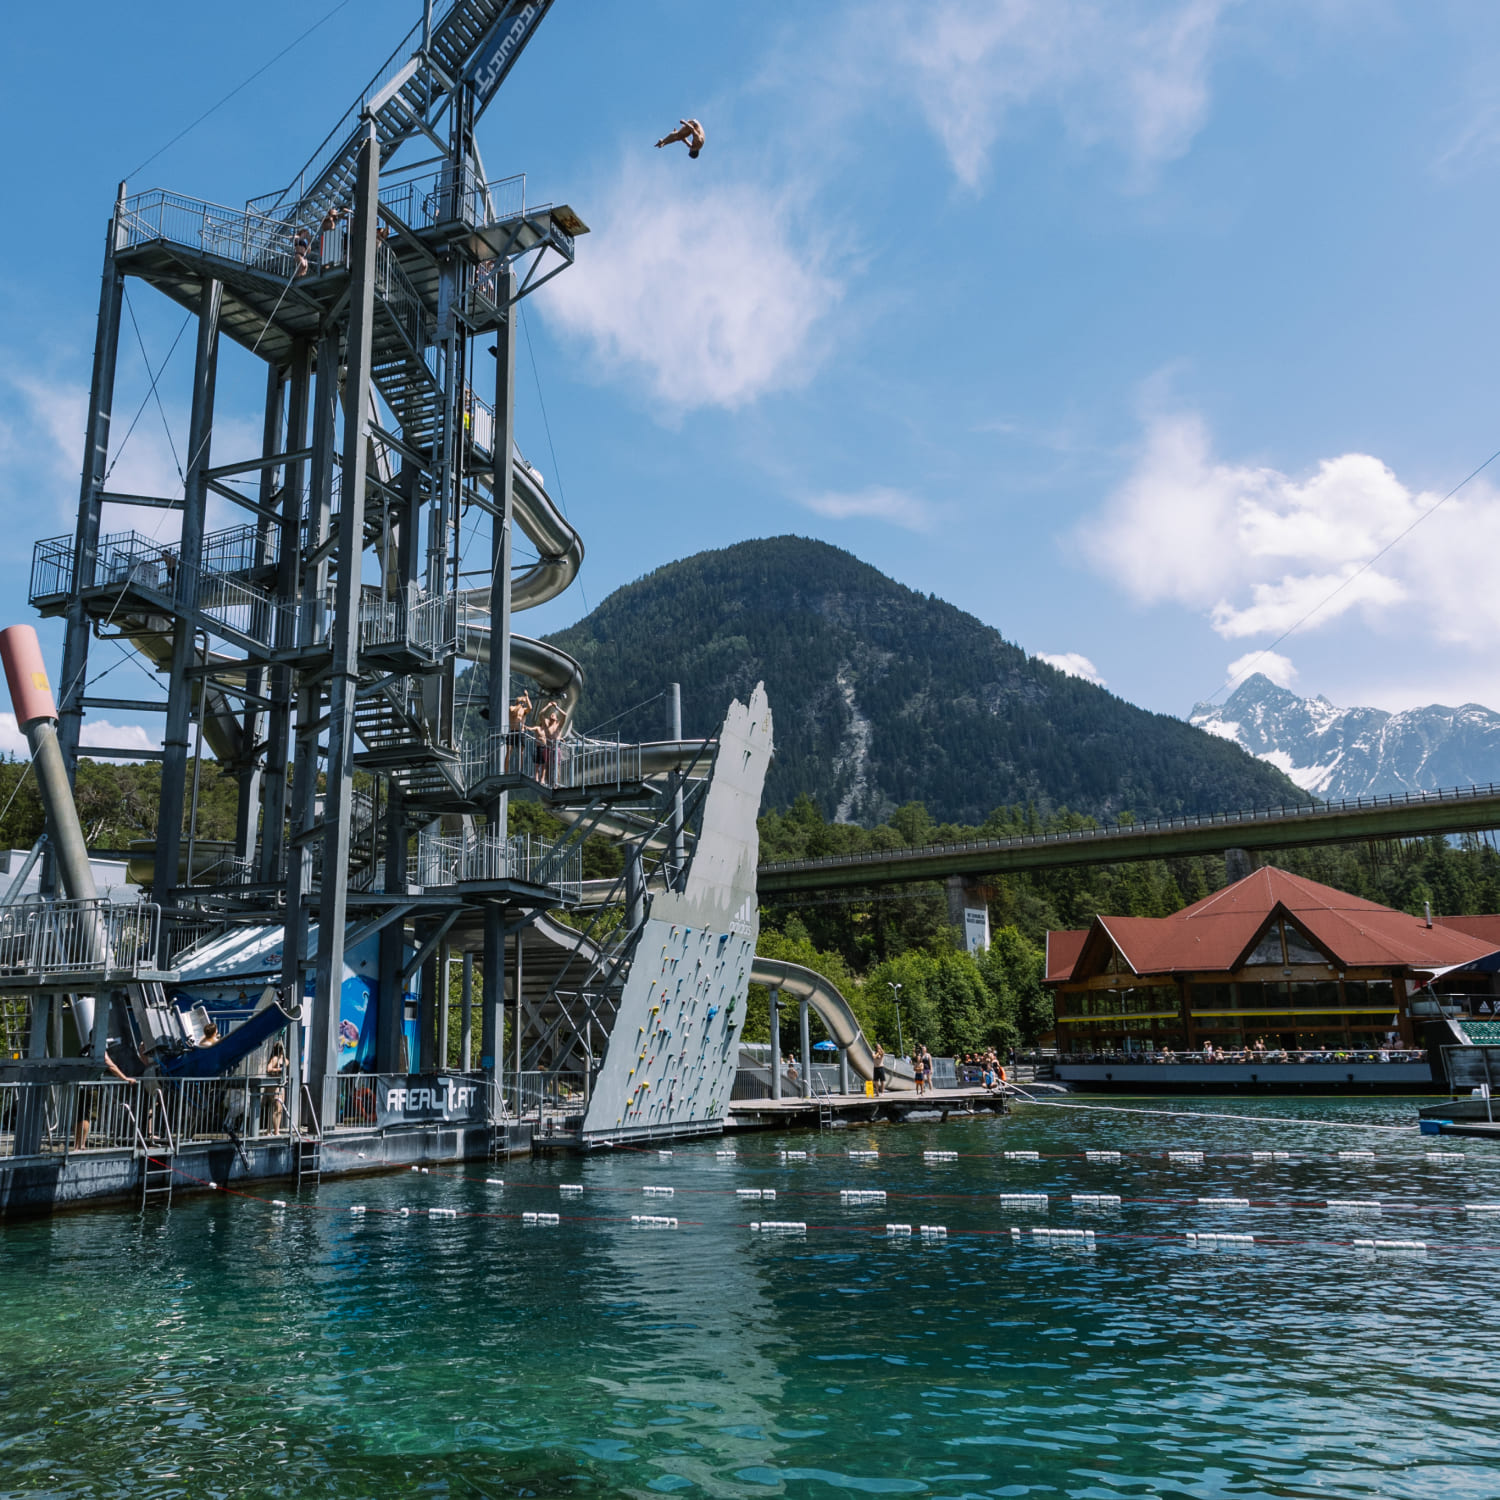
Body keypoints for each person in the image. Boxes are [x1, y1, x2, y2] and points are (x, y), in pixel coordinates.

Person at [263, 1038, 287, 1134]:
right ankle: (273, 1130)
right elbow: (268, 1069)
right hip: (275, 1085)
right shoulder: (275, 1059)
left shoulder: (282, 1059)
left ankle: (274, 1129)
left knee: (280, 1109)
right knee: (276, 1107)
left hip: (281, 1084)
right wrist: (278, 1070)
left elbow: (287, 1062)